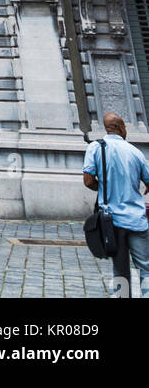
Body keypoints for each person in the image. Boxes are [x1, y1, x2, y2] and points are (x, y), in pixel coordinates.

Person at [83, 111, 149, 298]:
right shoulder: (135, 152)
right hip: (137, 219)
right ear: (121, 128)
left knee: (120, 270)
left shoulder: (96, 148)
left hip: (113, 221)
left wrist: (104, 188)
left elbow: (88, 180)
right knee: (145, 266)